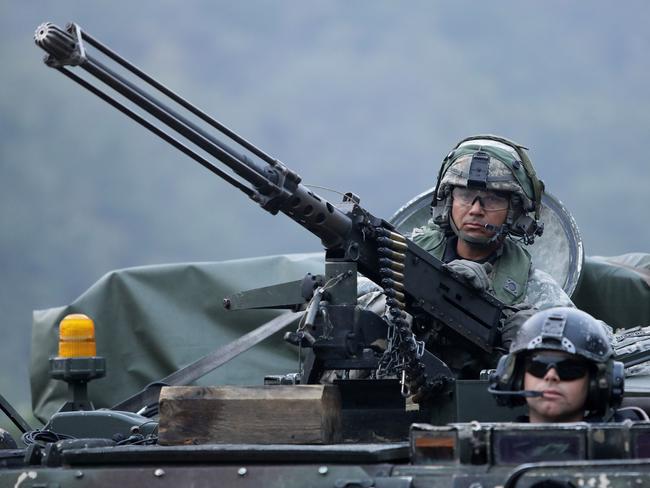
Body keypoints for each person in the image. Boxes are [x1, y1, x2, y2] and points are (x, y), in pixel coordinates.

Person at [408, 135, 575, 376]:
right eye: (465, 196)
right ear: (448, 202)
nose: (476, 210)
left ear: (515, 211)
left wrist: (532, 332)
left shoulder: (533, 287)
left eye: (493, 199)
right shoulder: (409, 257)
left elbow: (591, 339)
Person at [489, 306, 645, 422]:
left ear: (596, 382)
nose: (551, 376)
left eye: (568, 368)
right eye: (539, 365)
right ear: (517, 378)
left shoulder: (628, 445)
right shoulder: (481, 447)